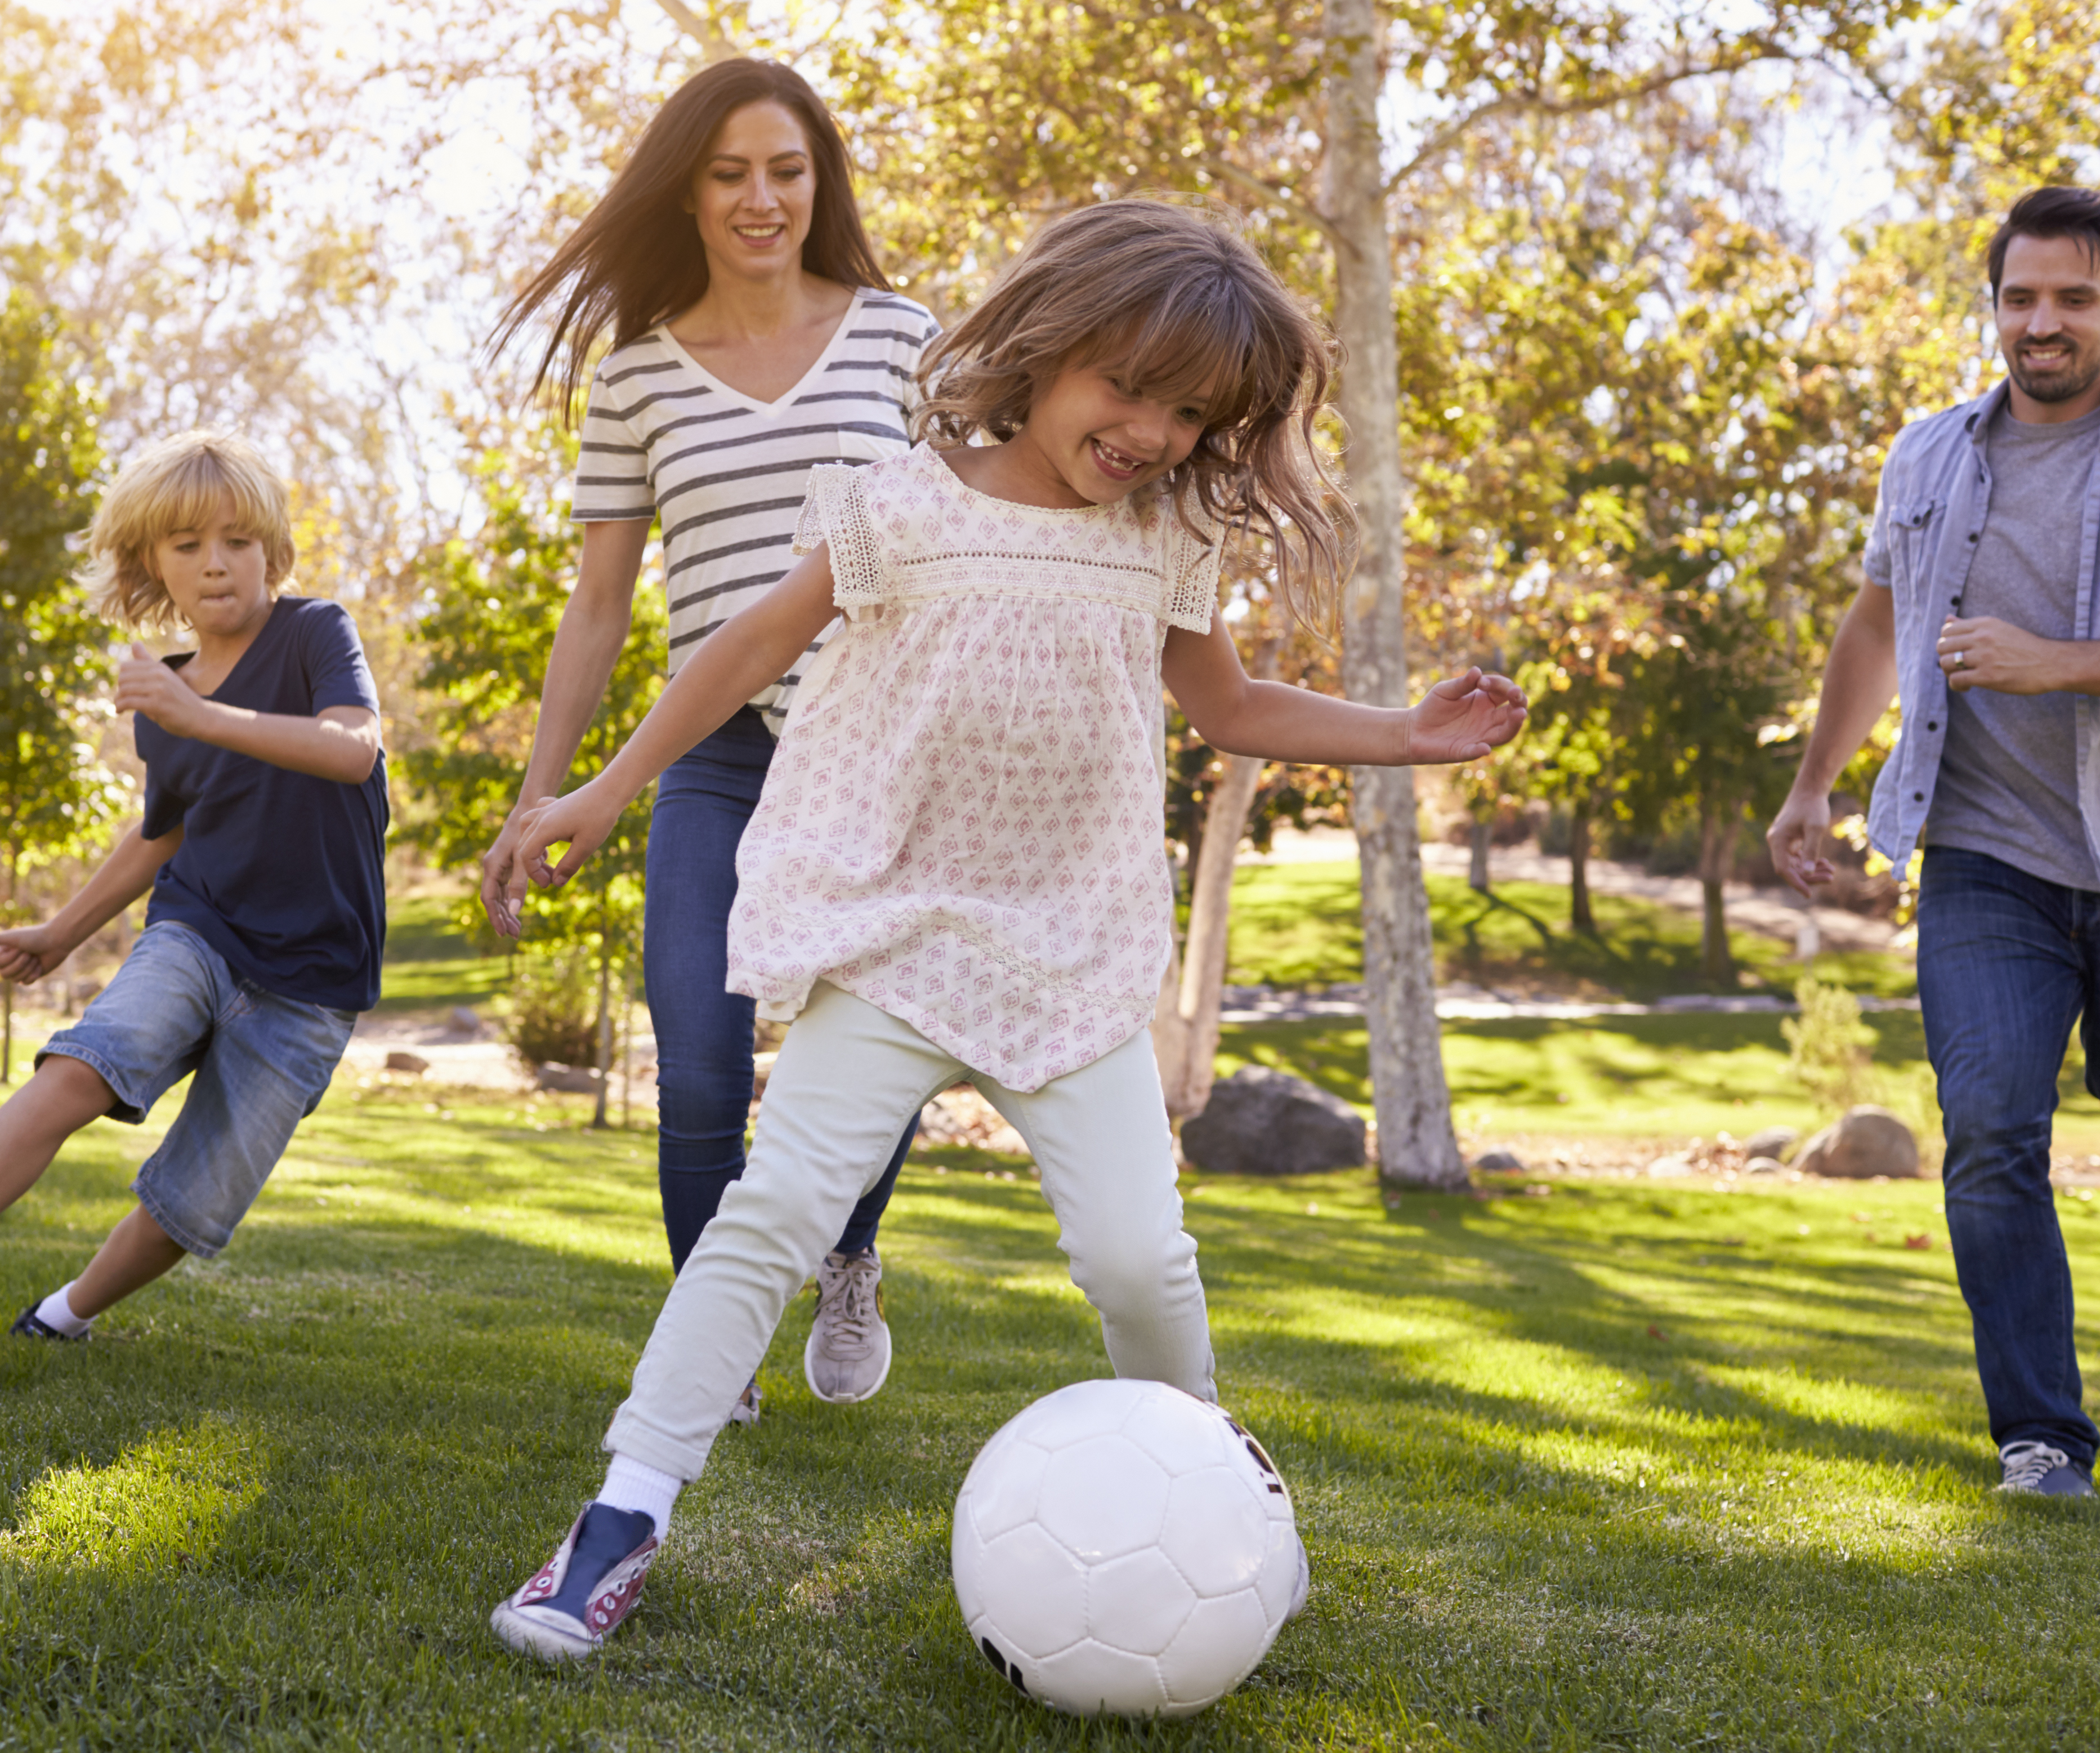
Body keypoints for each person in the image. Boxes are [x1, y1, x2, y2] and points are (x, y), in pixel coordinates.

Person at [485, 200, 1530, 1660]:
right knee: (773, 1211)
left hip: (1072, 945)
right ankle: (621, 1515)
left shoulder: (1162, 539)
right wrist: (601, 790)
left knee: (1136, 1260)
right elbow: (745, 648)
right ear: (1042, 348)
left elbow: (1227, 709)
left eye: (1189, 411)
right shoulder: (892, 501)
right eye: (1126, 387)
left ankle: (1222, 1505)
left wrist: (1403, 736)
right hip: (900, 928)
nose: (1152, 430)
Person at [480, 59, 939, 1420]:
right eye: (731, 173)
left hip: (876, 752)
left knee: (876, 1045)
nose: (761, 198)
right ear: (688, 192)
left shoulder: (905, 340)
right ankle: (714, 1347)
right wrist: (542, 791)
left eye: (786, 171)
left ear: (820, 184)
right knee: (697, 1057)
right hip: (716, 757)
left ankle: (848, 1256)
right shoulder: (634, 383)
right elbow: (602, 606)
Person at [1767, 186, 2100, 1496]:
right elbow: (1874, 628)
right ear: (1995, 305)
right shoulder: (1925, 455)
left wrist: (2053, 665)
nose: (2042, 323)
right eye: (2020, 297)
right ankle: (2039, 1437)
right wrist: (1815, 786)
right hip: (1982, 858)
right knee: (1987, 1133)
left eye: (2073, 299)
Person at [0, 431, 386, 1359]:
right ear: (153, 564)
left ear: (272, 547)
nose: (215, 563)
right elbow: (166, 834)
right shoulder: (170, 694)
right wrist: (63, 931)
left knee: (193, 1197)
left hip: (313, 980)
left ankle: (63, 1314)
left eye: (236, 539)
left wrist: (196, 714)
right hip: (201, 931)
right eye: (186, 546)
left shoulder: (313, 634)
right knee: (86, 1061)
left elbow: (353, 749)